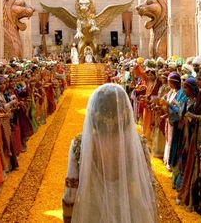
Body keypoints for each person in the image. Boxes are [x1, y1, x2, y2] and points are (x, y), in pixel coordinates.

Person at [62, 83, 157, 223]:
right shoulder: (138, 144)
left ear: (94, 112)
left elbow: (71, 193)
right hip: (128, 212)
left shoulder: (81, 144)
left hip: (92, 213)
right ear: (125, 112)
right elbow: (147, 186)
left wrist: (68, 218)